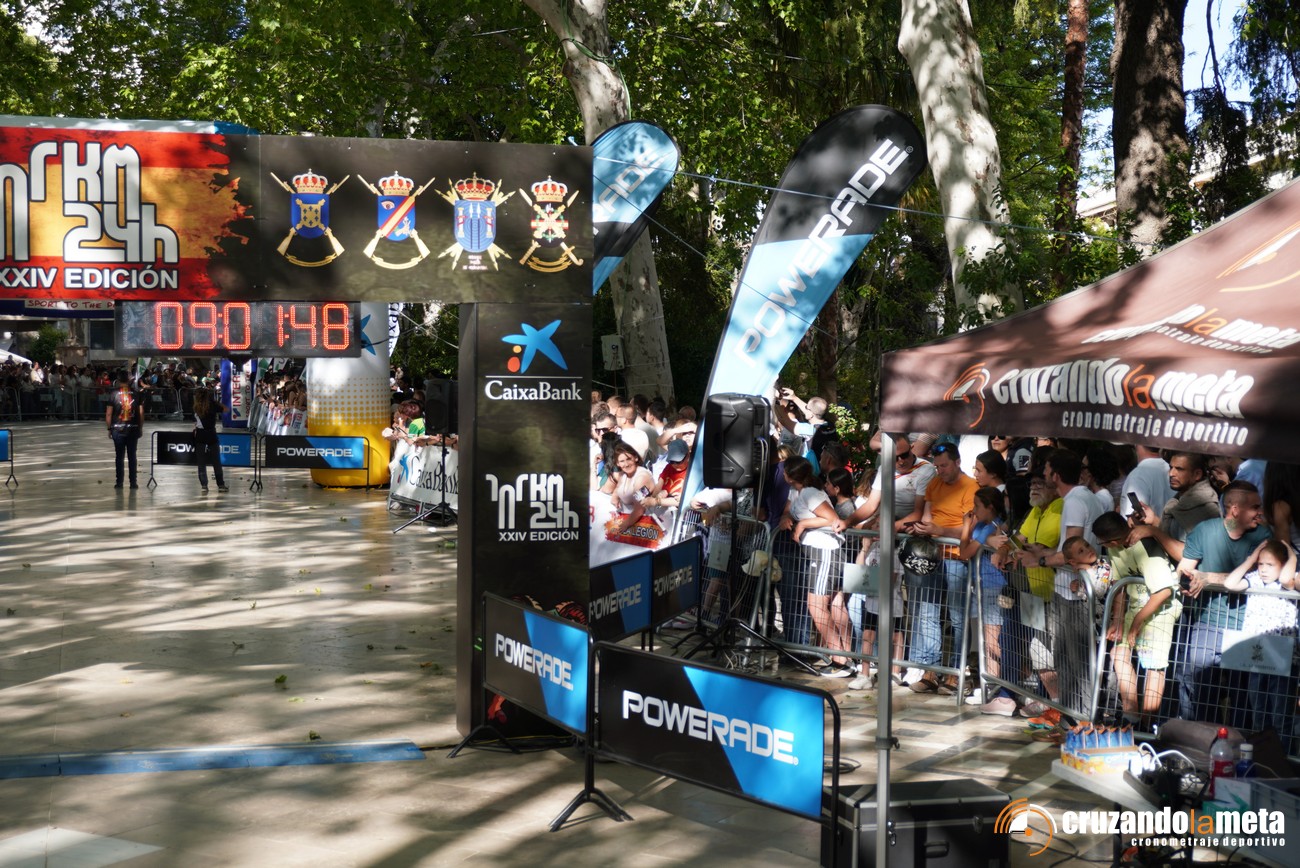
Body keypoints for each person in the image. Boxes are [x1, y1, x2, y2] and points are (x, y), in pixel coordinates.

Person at [1172, 481, 1272, 722]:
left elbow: (1256, 576)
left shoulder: (1263, 536)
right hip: (1208, 622)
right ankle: (1200, 736)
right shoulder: (1204, 530)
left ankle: (1240, 741)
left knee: (1242, 698)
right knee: (1198, 686)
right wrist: (1187, 582)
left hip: (1246, 626)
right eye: (1255, 507)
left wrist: (1207, 578)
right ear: (1235, 509)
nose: (1260, 512)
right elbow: (1184, 569)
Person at [1093, 510, 1182, 731]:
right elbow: (1120, 585)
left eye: (1101, 542)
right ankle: (1131, 717)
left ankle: (1147, 725)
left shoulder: (1145, 547)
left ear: (1112, 541)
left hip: (1161, 607)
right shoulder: (1114, 548)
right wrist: (1117, 620)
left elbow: (1163, 592)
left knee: (1153, 665)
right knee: (1118, 653)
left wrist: (1136, 624)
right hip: (1136, 604)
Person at [911, 441, 978, 695]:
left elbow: (969, 529)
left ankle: (955, 672)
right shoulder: (934, 484)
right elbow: (927, 515)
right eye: (937, 466)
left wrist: (939, 530)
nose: (940, 470)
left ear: (958, 462)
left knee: (957, 616)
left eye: (944, 466)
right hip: (932, 555)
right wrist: (925, 528)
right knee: (928, 612)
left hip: (957, 558)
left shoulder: (971, 487)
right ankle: (930, 669)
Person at [778, 455, 851, 676]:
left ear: (789, 476)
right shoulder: (799, 492)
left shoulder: (810, 493)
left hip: (824, 552)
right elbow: (789, 510)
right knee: (836, 605)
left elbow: (831, 519)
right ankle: (847, 655)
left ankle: (840, 660)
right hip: (819, 553)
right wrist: (787, 518)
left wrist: (803, 524)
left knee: (816, 606)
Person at [1223, 538, 1297, 735]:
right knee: (1259, 713)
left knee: (1281, 716)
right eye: (1261, 564)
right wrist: (1251, 558)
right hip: (1257, 656)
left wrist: (1292, 555)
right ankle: (1262, 751)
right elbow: (1230, 583)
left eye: (1270, 565)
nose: (1263, 569)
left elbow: (1285, 579)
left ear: (1283, 564)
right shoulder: (1255, 579)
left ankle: (1283, 753)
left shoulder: (1289, 581)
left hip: (1283, 657)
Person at [959, 487, 1014, 715]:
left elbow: (964, 552)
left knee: (992, 641)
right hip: (981, 585)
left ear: (990, 507)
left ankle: (1009, 678)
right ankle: (991, 685)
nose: (974, 510)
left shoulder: (991, 528)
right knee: (986, 640)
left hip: (994, 586)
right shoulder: (982, 527)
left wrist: (966, 527)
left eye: (977, 506)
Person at [106, 371, 143, 489]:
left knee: (119, 457)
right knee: (132, 456)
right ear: (129, 380)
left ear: (118, 380)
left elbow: (109, 413)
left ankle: (119, 482)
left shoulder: (113, 394)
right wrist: (140, 427)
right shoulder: (136, 393)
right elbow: (141, 413)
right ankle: (133, 482)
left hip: (117, 429)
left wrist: (109, 428)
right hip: (133, 429)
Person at [192, 387, 229, 494]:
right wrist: (216, 402)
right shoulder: (213, 405)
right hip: (211, 434)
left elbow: (196, 421)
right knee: (216, 461)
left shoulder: (196, 407)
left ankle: (204, 485)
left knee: (201, 462)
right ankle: (220, 485)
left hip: (200, 434)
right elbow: (226, 409)